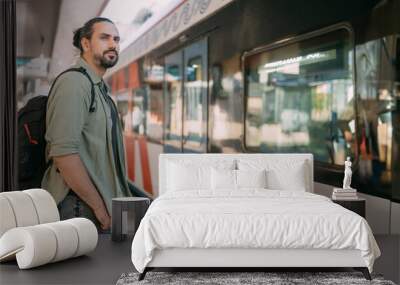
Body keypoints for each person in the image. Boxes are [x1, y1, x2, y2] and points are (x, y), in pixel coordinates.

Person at [42, 17, 131, 231]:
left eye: (116, 39)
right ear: (86, 43)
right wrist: (101, 210)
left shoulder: (98, 89)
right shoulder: (74, 84)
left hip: (90, 209)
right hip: (78, 209)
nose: (113, 44)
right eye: (104, 38)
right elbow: (64, 154)